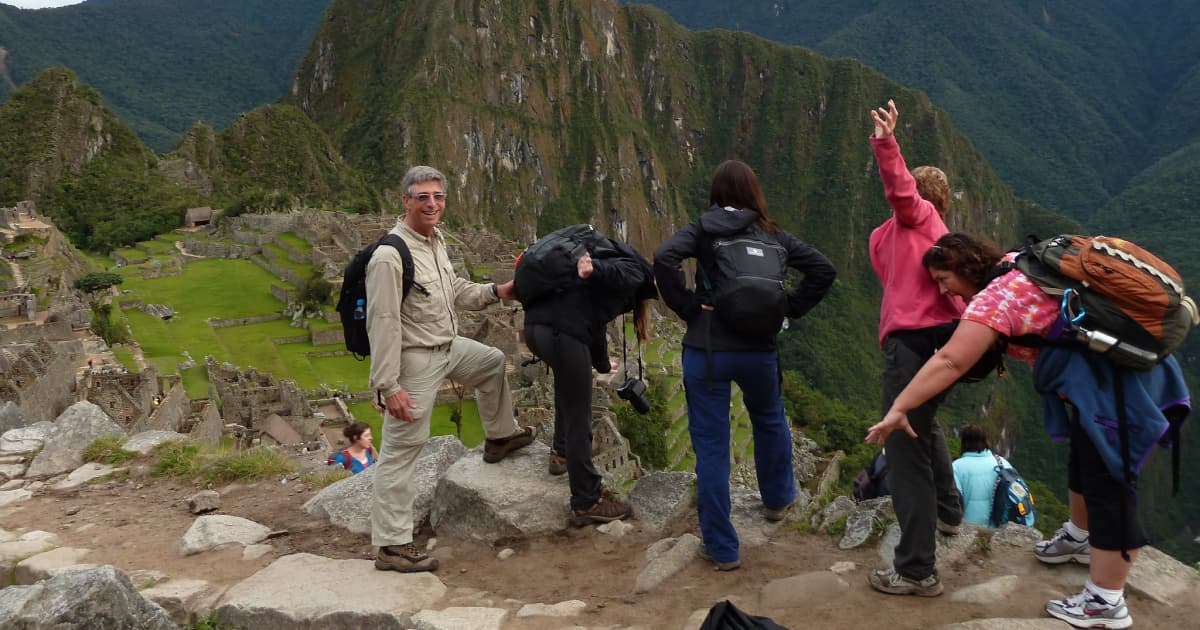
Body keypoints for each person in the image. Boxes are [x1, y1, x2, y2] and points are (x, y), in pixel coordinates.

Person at [867, 232, 1190, 628]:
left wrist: (901, 406)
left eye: (943, 279)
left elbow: (951, 360)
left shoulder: (996, 298)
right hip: (1104, 378)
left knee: (1110, 482)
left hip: (1118, 386)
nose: (943, 290)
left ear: (966, 268)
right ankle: (1080, 535)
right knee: (1086, 460)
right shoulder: (1017, 263)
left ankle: (1106, 604)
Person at [654, 160, 836, 571]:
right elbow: (824, 270)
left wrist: (686, 307)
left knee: (713, 447)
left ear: (715, 194)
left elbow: (664, 258)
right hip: (759, 349)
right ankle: (776, 501)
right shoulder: (774, 235)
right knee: (770, 421)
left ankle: (722, 549)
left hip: (708, 350)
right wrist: (787, 308)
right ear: (754, 194)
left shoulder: (702, 229)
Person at [366, 165, 536, 573]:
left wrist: (498, 291)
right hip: (415, 358)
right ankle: (391, 545)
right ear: (405, 200)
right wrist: (388, 386)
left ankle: (499, 437)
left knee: (492, 362)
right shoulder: (390, 256)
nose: (431, 203)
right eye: (422, 196)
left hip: (447, 346)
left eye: (438, 196)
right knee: (403, 448)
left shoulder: (435, 241)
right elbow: (383, 322)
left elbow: (455, 289)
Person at [866, 99, 965, 598]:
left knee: (903, 446)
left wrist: (886, 142)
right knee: (923, 427)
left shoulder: (908, 223)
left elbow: (903, 195)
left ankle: (916, 569)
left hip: (911, 345)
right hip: (948, 343)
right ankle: (949, 513)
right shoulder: (937, 230)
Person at [523, 230, 657, 526]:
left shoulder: (592, 259)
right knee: (579, 412)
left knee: (568, 389)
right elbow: (628, 274)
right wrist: (595, 269)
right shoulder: (634, 269)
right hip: (563, 334)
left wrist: (599, 362)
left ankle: (560, 454)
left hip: (535, 330)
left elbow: (592, 321)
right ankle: (587, 501)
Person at [952, 424, 1010, 527]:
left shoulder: (956, 467)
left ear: (963, 442)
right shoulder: (1002, 463)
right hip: (1002, 532)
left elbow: (954, 502)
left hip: (970, 532)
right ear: (985, 441)